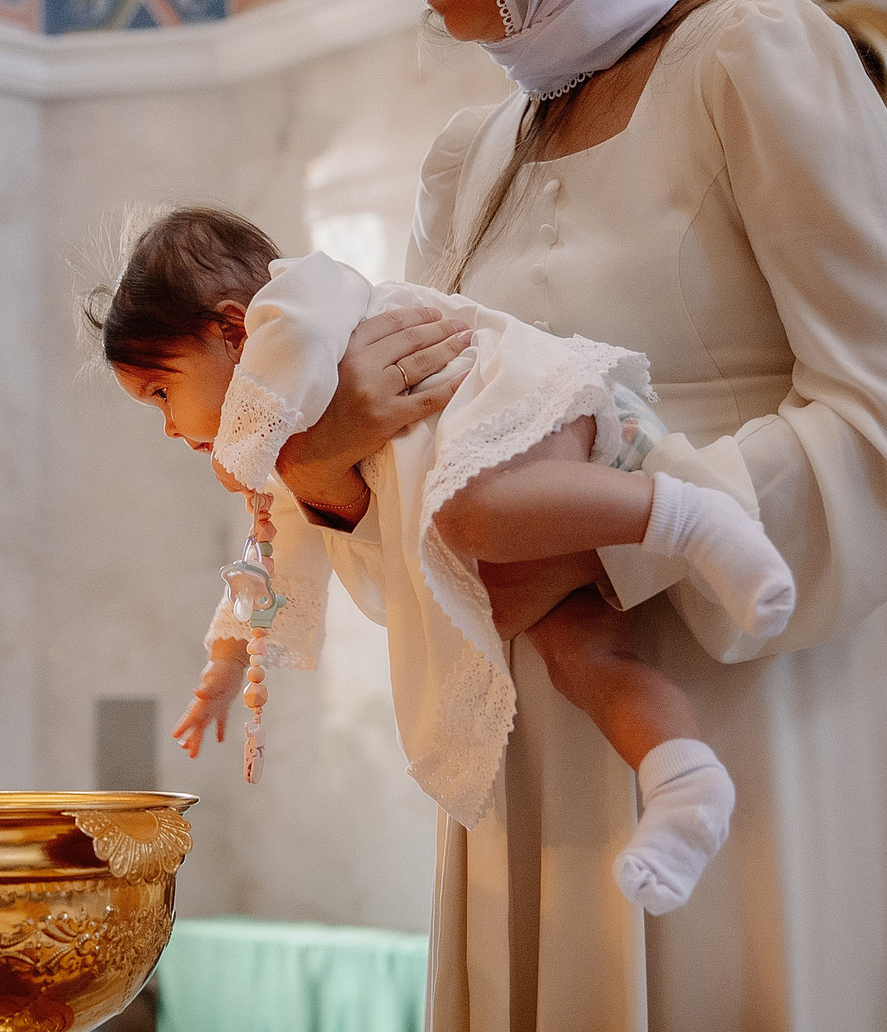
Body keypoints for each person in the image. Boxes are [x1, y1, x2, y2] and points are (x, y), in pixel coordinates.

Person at [261, 0, 887, 1032]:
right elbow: (433, 452)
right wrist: (332, 471)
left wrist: (607, 534)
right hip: (532, 733)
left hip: (747, 709)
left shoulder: (755, 54)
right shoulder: (471, 157)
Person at [93, 206, 794, 914]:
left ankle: (690, 514)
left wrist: (246, 445)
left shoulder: (297, 300)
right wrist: (227, 658)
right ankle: (683, 779)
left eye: (162, 392)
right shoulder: (285, 440)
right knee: (580, 654)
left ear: (233, 329)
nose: (171, 426)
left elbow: (300, 344)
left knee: (466, 512)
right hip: (541, 496)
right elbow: (269, 554)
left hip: (532, 415)